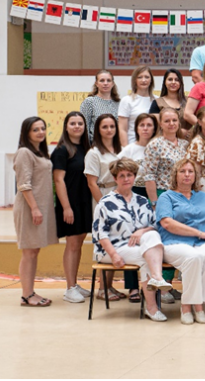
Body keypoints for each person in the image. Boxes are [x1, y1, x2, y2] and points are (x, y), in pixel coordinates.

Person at [93, 158, 172, 322]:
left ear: (135, 177)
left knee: (151, 235)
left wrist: (142, 231)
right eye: (121, 176)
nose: (126, 179)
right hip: (110, 249)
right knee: (146, 257)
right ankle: (152, 307)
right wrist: (114, 255)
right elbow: (101, 234)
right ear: (115, 178)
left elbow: (155, 225)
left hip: (138, 245)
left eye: (129, 175)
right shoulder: (105, 203)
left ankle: (157, 278)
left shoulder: (142, 201)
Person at [156, 160, 205, 325]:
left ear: (195, 176)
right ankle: (187, 307)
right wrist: (198, 233)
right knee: (193, 257)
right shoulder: (166, 197)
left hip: (200, 243)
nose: (187, 175)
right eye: (182, 171)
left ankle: (200, 305)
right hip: (173, 243)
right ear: (175, 175)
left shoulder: (202, 196)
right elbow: (167, 223)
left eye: (190, 171)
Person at [14, 117, 59, 308]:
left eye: (42, 128)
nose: (41, 132)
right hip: (30, 207)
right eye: (35, 129)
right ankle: (27, 295)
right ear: (27, 133)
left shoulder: (39, 152)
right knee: (29, 251)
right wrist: (34, 208)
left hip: (40, 207)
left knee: (34, 250)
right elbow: (24, 184)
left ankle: (29, 292)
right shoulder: (24, 152)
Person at [83, 115, 125, 301]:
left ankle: (109, 286)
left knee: (116, 242)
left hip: (120, 195)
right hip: (103, 196)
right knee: (104, 242)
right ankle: (102, 288)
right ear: (98, 130)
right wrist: (104, 205)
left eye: (111, 126)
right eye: (104, 127)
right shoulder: (93, 153)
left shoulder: (121, 149)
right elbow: (91, 183)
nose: (109, 130)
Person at [52, 112, 93, 304]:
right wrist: (66, 207)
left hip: (84, 201)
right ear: (66, 127)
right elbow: (58, 180)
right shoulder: (61, 151)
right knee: (72, 243)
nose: (77, 126)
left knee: (79, 242)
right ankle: (69, 288)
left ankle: (74, 284)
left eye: (80, 123)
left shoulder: (86, 148)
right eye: (73, 123)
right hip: (70, 202)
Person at [143, 108, 190, 207]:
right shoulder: (155, 145)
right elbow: (149, 176)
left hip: (183, 195)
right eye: (167, 121)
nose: (171, 123)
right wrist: (154, 203)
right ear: (160, 124)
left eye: (174, 120)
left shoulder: (185, 144)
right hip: (162, 194)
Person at [119, 114, 157, 198]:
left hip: (155, 191)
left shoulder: (158, 148)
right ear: (137, 128)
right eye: (142, 125)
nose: (145, 128)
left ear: (154, 129)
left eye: (149, 125)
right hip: (134, 191)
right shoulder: (129, 149)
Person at [118, 66, 155, 146]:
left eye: (147, 77)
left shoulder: (157, 100)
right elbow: (122, 129)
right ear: (135, 80)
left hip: (153, 146)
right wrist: (126, 149)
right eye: (140, 77)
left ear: (151, 80)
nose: (143, 80)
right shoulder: (127, 100)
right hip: (132, 145)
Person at [80, 70, 120, 143]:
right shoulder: (90, 102)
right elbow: (85, 128)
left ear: (113, 84)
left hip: (115, 145)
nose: (105, 83)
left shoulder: (119, 103)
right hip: (95, 144)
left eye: (108, 80)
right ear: (96, 83)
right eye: (102, 80)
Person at [150, 69, 191, 135]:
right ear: (165, 82)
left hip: (188, 139)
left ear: (181, 83)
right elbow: (155, 126)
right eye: (170, 79)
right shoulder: (157, 103)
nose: (173, 82)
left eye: (177, 80)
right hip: (164, 139)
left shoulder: (189, 101)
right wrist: (180, 131)